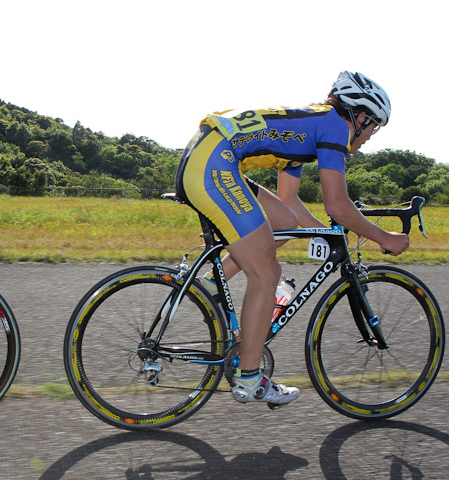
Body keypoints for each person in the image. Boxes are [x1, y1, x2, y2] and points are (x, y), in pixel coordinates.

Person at [175, 71, 409, 407]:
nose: (372, 135)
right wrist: (384, 237)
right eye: (375, 126)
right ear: (360, 117)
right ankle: (250, 379)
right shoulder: (334, 128)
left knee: (281, 221)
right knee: (266, 273)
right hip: (214, 165)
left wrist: (328, 235)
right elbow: (338, 205)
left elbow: (290, 204)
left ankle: (213, 283)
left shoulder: (313, 124)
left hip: (207, 157)